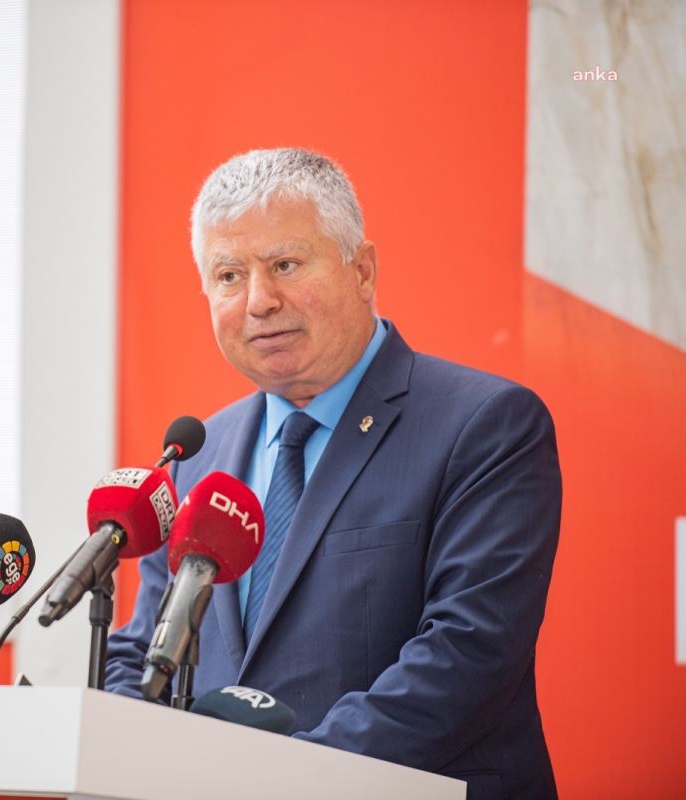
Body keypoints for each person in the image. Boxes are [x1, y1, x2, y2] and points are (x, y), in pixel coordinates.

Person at [105, 148, 560, 799]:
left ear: (363, 269)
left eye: (285, 265)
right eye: (229, 276)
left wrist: (279, 782)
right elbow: (145, 650)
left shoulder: (485, 425)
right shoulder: (194, 458)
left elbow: (468, 653)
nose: (259, 301)